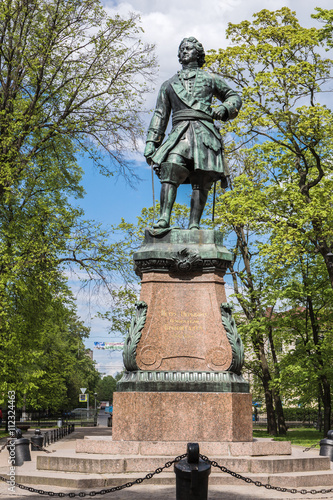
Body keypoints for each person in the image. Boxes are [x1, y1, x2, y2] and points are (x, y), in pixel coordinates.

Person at [144, 36, 242, 229]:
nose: (184, 52)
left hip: (204, 132)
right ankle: (164, 217)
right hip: (179, 133)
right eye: (182, 49)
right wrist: (151, 142)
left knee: (202, 177)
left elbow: (233, 97)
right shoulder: (169, 84)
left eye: (188, 48)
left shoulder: (211, 79)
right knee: (171, 166)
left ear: (198, 53)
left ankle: (194, 224)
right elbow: (160, 114)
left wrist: (225, 109)